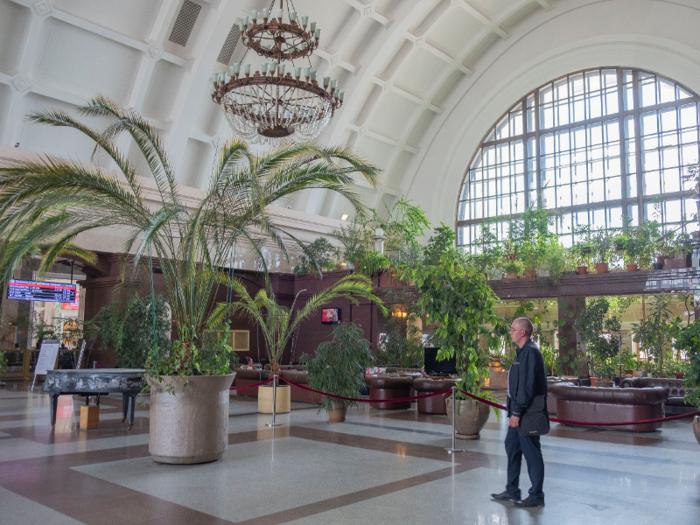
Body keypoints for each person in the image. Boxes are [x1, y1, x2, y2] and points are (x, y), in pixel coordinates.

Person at [491, 317, 548, 508]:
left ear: (523, 332)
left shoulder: (530, 352)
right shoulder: (522, 352)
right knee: (512, 447)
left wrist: (517, 412)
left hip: (526, 414)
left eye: (513, 329)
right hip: (518, 412)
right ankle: (512, 489)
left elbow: (527, 386)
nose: (510, 332)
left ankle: (537, 495)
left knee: (532, 452)